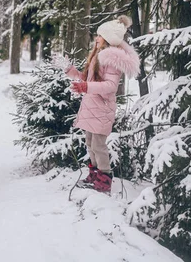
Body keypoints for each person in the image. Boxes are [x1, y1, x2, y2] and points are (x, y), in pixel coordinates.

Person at [58, 16, 140, 194]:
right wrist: (71, 71)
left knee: (98, 145)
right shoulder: (97, 56)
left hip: (102, 109)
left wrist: (86, 87)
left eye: (100, 35)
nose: (96, 38)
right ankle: (94, 175)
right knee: (90, 143)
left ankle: (104, 179)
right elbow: (87, 79)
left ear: (109, 39)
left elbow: (110, 87)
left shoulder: (112, 59)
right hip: (91, 107)